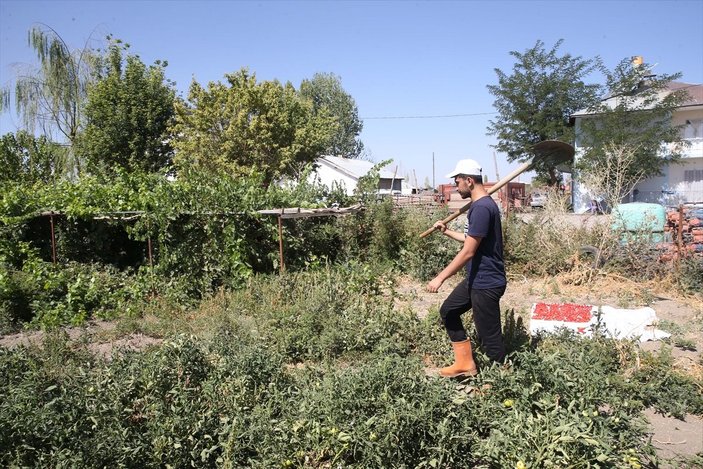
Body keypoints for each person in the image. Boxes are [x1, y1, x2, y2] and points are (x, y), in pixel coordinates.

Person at [427, 158, 507, 378]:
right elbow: (470, 239)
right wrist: (446, 231)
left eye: (457, 180)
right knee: (449, 311)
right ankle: (465, 363)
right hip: (476, 278)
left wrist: (440, 277)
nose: (455, 185)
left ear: (469, 181)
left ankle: (501, 382)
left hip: (487, 281)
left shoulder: (481, 208)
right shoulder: (481, 206)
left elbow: (469, 251)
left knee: (489, 336)